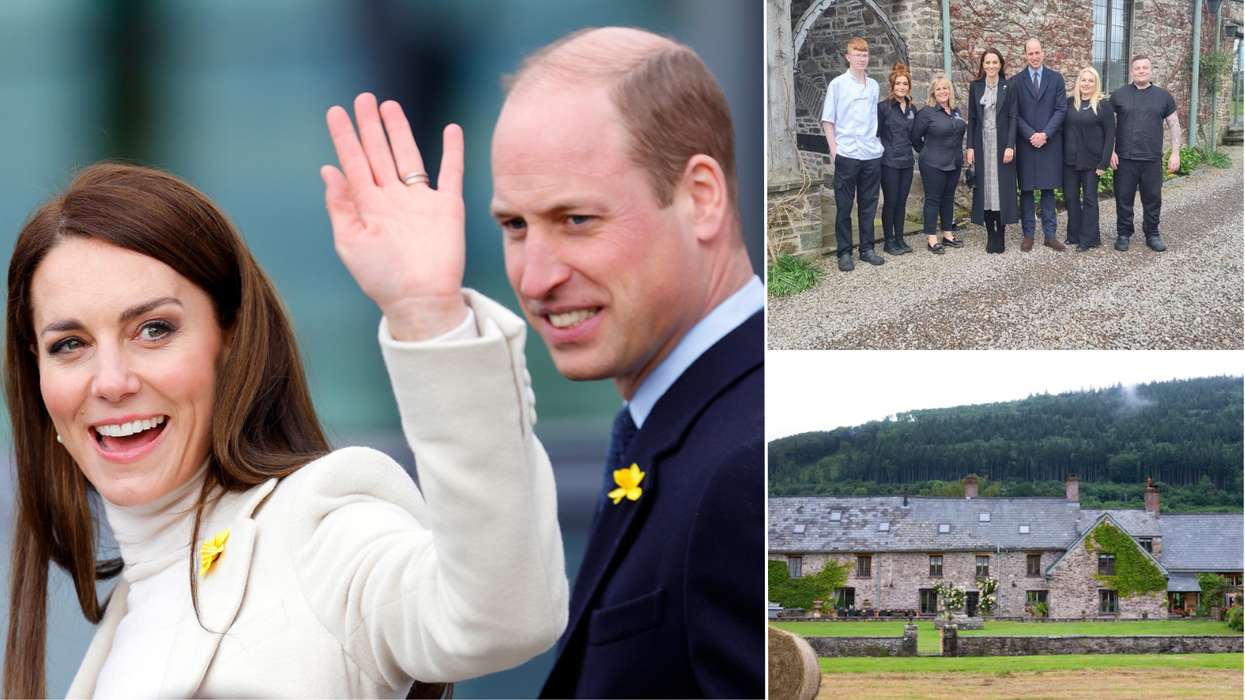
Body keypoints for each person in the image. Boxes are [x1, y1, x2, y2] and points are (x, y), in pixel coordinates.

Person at [5, 96, 569, 697]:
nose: (111, 381)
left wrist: (430, 317)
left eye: (154, 330)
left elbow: (499, 619)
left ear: (232, 341)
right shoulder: (124, 624)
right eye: (69, 344)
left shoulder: (318, 526)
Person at [488, 28, 764, 698]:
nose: (535, 278)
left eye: (576, 219)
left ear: (701, 197)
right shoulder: (692, 429)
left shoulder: (744, 467)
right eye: (515, 227)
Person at [822, 37, 886, 271]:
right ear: (848, 57)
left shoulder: (874, 86)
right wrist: (834, 150)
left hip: (870, 155)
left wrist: (877, 144)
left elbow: (873, 121)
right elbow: (828, 119)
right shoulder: (837, 85)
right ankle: (844, 252)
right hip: (847, 154)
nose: (862, 58)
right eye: (858, 55)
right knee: (844, 205)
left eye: (865, 55)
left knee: (869, 204)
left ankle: (867, 249)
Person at [1109, 55, 1181, 252]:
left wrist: (1175, 153)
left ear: (1151, 70)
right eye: (1137, 68)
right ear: (1131, 72)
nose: (1141, 71)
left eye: (1145, 67)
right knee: (1124, 198)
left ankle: (1152, 234)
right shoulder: (1118, 95)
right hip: (1125, 158)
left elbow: (1174, 125)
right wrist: (1110, 151)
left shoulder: (1163, 96)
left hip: (1151, 159)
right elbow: (1109, 127)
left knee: (1153, 199)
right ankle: (1123, 233)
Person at [1010, 38, 1067, 252]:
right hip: (1026, 143)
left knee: (1048, 189)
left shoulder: (1056, 78)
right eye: (1030, 53)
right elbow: (1013, 113)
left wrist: (1045, 134)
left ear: (1043, 53)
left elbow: (1061, 110)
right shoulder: (1015, 81)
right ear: (1024, 55)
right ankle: (1028, 234)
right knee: (1026, 190)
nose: (1034, 57)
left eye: (1037, 53)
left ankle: (1050, 235)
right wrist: (1030, 135)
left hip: (1049, 142)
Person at [965, 47, 1019, 254]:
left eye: (995, 62)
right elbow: (971, 118)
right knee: (985, 190)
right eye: (987, 62)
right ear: (982, 65)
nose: (991, 66)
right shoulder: (975, 87)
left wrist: (1009, 145)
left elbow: (1013, 117)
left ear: (1001, 65)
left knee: (1001, 189)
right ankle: (990, 234)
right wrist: (970, 146)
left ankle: (1001, 234)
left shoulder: (1009, 86)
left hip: (1002, 144)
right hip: (981, 143)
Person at [912, 73, 967, 254]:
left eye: (945, 88)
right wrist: (928, 152)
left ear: (950, 91)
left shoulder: (956, 112)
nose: (942, 91)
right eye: (938, 89)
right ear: (933, 93)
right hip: (933, 164)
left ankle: (948, 235)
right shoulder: (926, 113)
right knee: (933, 200)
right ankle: (932, 239)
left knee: (948, 199)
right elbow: (915, 139)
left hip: (954, 162)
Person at [1063, 66, 1115, 251]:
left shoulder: (1103, 105)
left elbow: (1110, 136)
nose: (1086, 84)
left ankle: (1089, 238)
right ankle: (1073, 235)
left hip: (1092, 162)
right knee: (1070, 198)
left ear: (1095, 84)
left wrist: (1104, 162)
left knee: (1090, 199)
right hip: (1069, 160)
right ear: (1078, 82)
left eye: (1090, 81)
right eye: (1083, 80)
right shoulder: (1070, 103)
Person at [877, 62, 918, 256]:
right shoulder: (883, 108)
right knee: (891, 201)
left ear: (909, 86)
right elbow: (875, 134)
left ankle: (900, 238)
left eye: (905, 84)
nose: (902, 87)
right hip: (889, 161)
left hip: (907, 161)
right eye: (898, 83)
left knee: (902, 202)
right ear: (891, 86)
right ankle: (889, 240)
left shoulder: (912, 109)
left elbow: (915, 136)